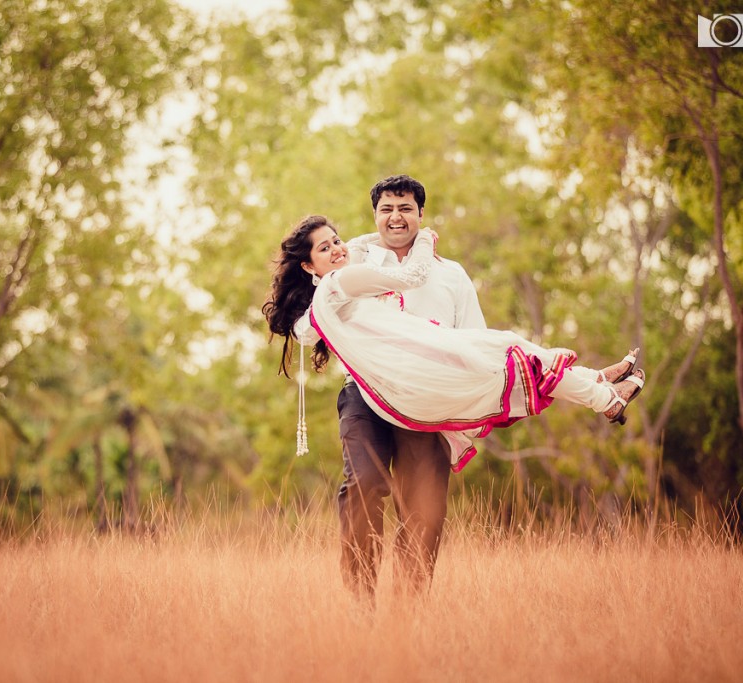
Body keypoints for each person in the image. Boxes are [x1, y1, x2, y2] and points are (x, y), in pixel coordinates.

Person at [263, 181, 644, 602]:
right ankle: (360, 605)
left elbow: (474, 340)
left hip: (432, 393)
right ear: (374, 216)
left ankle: (407, 614)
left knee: (426, 506)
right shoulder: (357, 258)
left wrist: (467, 384)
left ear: (420, 214)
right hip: (367, 395)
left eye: (405, 208)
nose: (395, 217)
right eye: (386, 209)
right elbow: (311, 315)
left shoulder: (451, 273)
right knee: (364, 485)